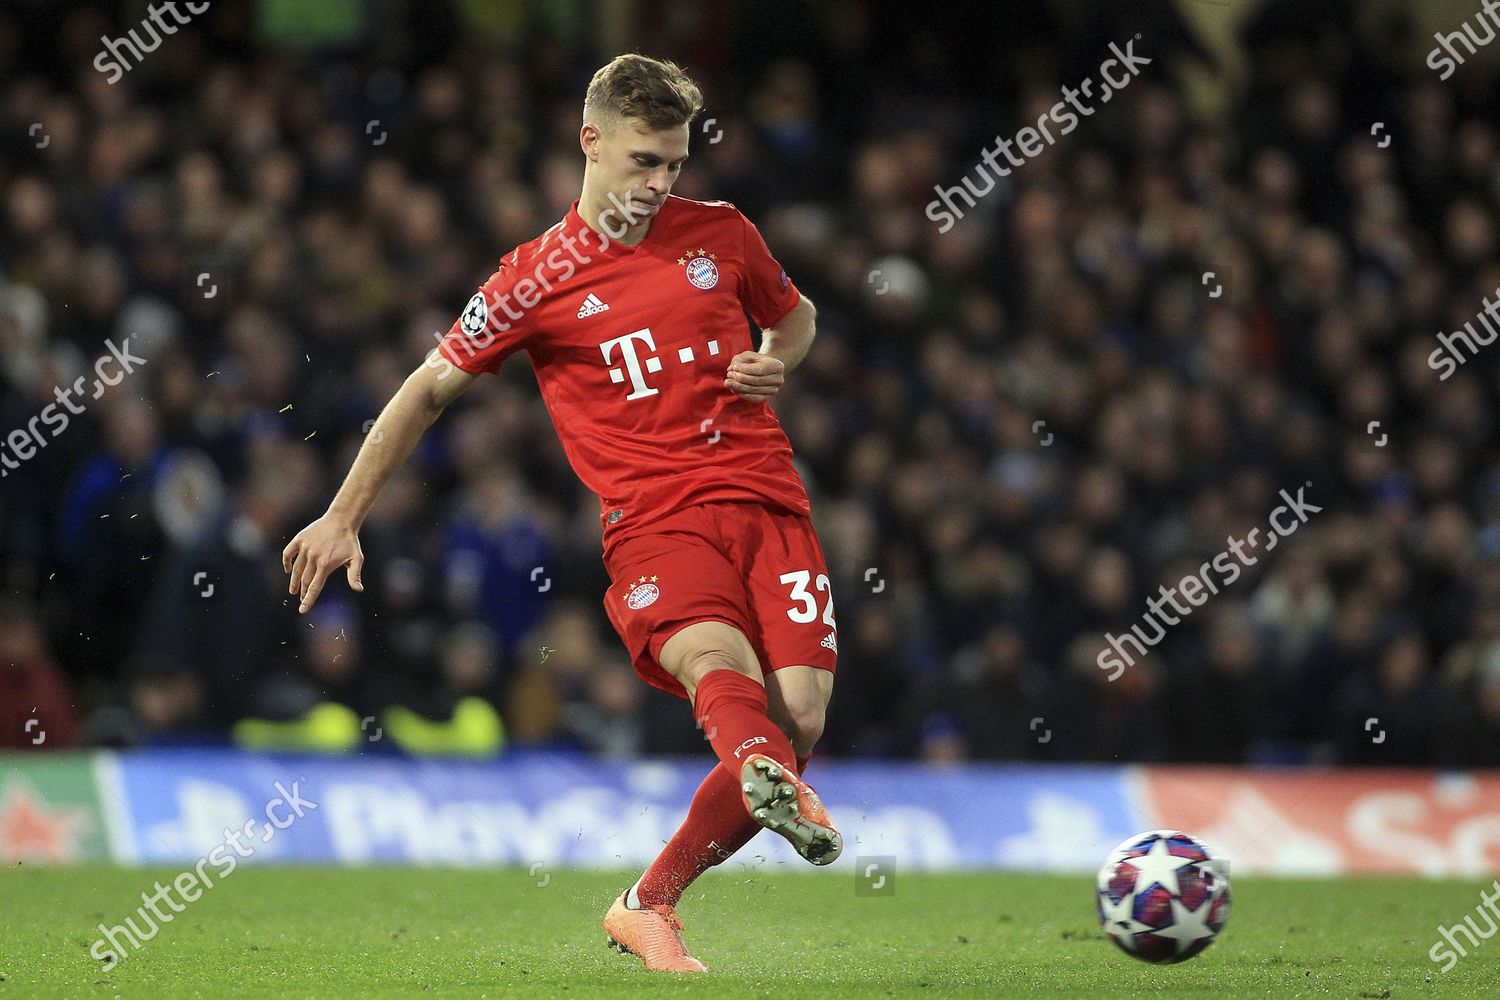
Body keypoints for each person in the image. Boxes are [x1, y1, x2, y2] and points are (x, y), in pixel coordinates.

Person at [281, 53, 841, 973]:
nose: (661, 183)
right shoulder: (533, 278)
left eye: (674, 164)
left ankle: (647, 904)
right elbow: (428, 389)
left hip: (770, 498)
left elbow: (800, 314)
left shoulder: (724, 235)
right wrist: (343, 514)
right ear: (591, 142)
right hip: (655, 520)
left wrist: (779, 356)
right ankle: (761, 773)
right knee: (716, 662)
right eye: (642, 161)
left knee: (803, 718)